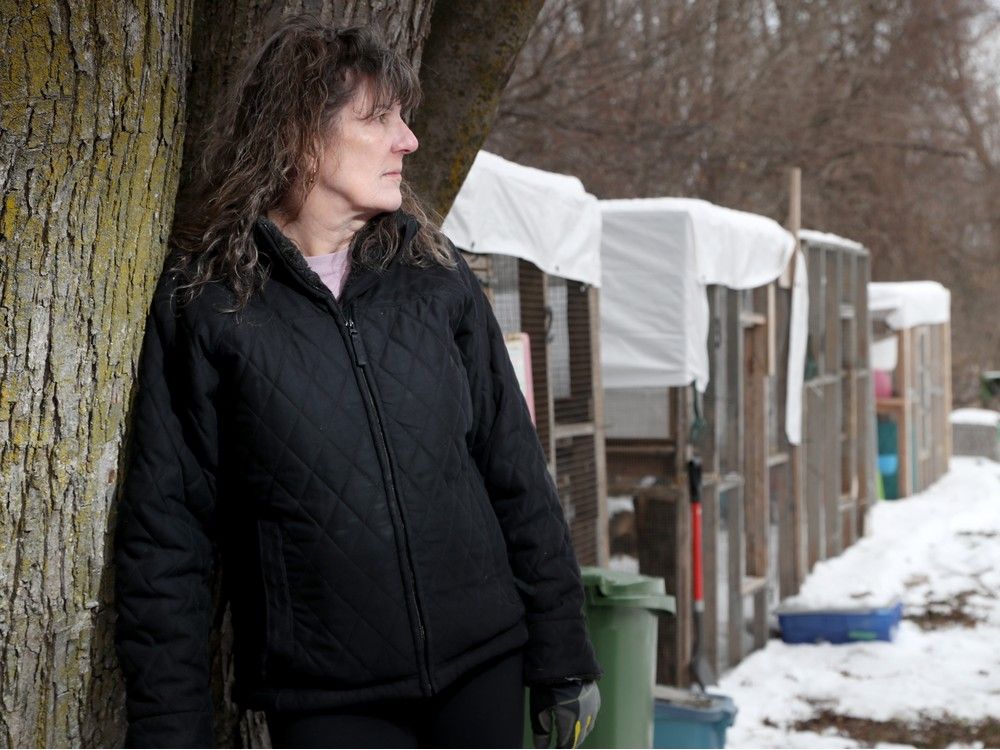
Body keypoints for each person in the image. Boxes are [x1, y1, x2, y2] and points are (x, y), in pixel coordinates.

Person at [113, 15, 601, 749]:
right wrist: (172, 731)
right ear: (300, 133)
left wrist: (562, 651)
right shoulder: (210, 302)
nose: (407, 139)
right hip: (328, 698)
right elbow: (166, 536)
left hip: (483, 667)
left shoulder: (436, 279)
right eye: (379, 119)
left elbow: (514, 470)